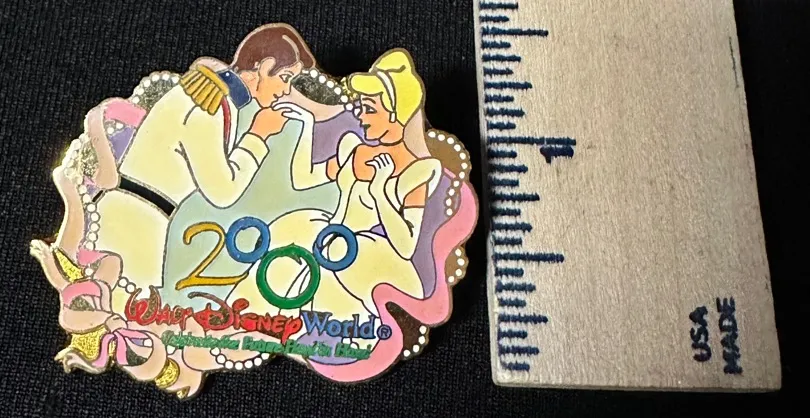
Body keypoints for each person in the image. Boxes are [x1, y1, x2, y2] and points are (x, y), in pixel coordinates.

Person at [92, 23, 316, 311]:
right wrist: (258, 136)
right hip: (131, 225)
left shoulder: (218, 100)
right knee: (112, 313)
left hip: (140, 218)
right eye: (285, 78)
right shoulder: (206, 105)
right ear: (264, 66)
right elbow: (223, 192)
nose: (285, 90)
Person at [227, 48, 443, 330]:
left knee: (327, 279)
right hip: (330, 236)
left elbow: (405, 246)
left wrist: (380, 191)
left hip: (366, 256)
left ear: (396, 114)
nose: (362, 116)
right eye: (361, 107)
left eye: (370, 109)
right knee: (287, 237)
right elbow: (303, 179)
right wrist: (307, 125)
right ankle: (237, 322)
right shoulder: (355, 150)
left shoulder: (416, 172)